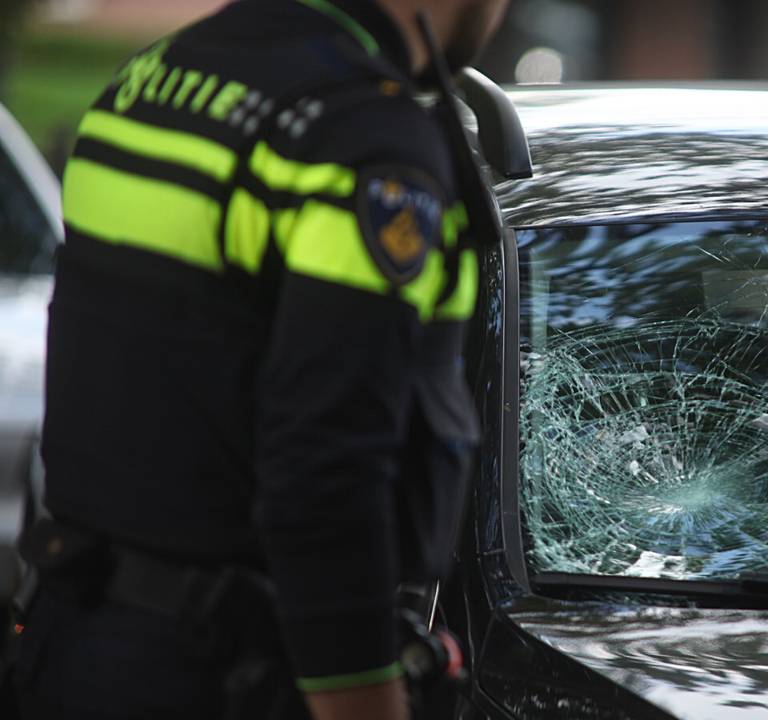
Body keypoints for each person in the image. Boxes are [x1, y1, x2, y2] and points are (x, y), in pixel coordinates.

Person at [5, 0, 508, 718]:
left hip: (73, 641)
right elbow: (328, 474)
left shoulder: (150, 78)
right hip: (226, 673)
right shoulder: (360, 134)